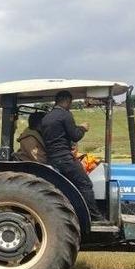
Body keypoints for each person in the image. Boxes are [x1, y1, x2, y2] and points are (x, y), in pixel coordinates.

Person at [40, 90, 105, 221]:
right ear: (67, 101)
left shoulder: (46, 117)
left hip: (52, 158)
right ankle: (94, 217)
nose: (70, 105)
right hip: (65, 158)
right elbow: (75, 135)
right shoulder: (65, 115)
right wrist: (82, 128)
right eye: (70, 102)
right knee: (85, 184)